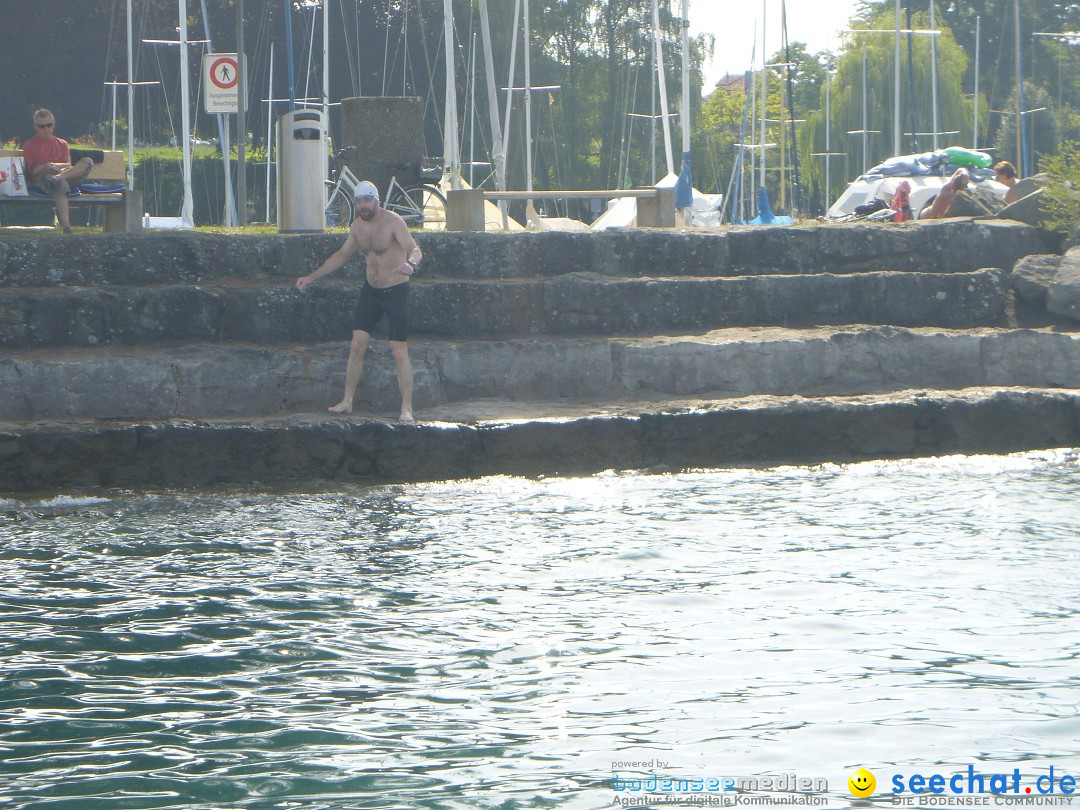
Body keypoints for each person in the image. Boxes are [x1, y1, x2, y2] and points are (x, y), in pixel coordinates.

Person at [296, 180, 422, 423]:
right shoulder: (357, 227)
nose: (362, 205)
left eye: (367, 200)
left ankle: (407, 407)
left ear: (376, 200)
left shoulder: (393, 222)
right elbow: (341, 256)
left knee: (398, 350)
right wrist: (311, 278)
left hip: (396, 290)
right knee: (357, 344)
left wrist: (411, 264)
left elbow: (415, 249)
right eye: (358, 201)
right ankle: (347, 401)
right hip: (371, 291)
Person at [22, 108, 94, 234]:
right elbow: (34, 171)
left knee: (87, 161)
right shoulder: (29, 145)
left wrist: (57, 168)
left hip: (64, 174)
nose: (46, 129)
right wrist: (47, 167)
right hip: (43, 178)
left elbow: (68, 164)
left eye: (49, 125)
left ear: (53, 125)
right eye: (42, 126)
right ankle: (66, 227)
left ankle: (57, 178)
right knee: (61, 184)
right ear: (35, 127)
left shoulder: (62, 144)